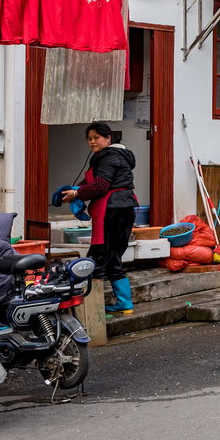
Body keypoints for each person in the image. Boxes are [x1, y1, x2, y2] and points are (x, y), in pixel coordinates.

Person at [61, 122, 139, 314]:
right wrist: (74, 190)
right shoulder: (115, 156)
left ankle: (92, 309)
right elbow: (91, 182)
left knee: (98, 258)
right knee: (112, 258)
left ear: (108, 138)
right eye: (89, 138)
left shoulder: (108, 156)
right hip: (123, 208)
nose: (92, 141)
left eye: (96, 137)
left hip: (113, 210)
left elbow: (100, 186)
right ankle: (124, 303)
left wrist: (77, 194)